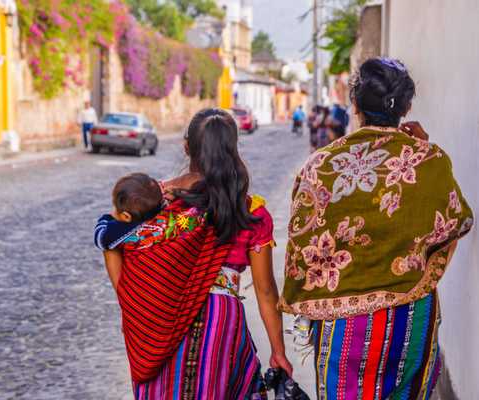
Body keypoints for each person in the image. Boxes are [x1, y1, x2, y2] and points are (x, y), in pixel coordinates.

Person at [280, 58, 474, 400]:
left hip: (342, 329)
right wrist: (424, 149)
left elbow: (301, 242)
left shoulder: (319, 166)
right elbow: (455, 221)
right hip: (410, 320)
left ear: (354, 105)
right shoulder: (430, 161)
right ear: (407, 106)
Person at [98, 108, 293, 399]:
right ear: (233, 149)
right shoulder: (250, 211)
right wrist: (278, 351)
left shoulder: (153, 202)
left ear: (186, 146)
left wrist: (135, 300)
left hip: (160, 316)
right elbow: (266, 291)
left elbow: (113, 244)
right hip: (220, 324)